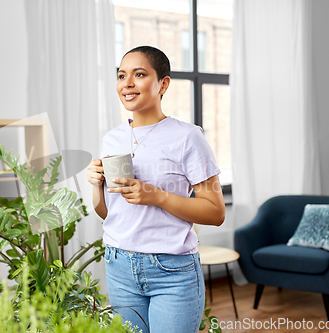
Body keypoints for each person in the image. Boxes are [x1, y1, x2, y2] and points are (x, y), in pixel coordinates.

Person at [86, 46, 225, 333]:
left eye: (139, 74)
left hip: (171, 271)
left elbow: (215, 211)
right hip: (119, 264)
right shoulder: (112, 139)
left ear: (163, 84)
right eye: (122, 75)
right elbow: (109, 214)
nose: (127, 83)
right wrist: (97, 187)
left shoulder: (188, 137)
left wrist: (157, 196)